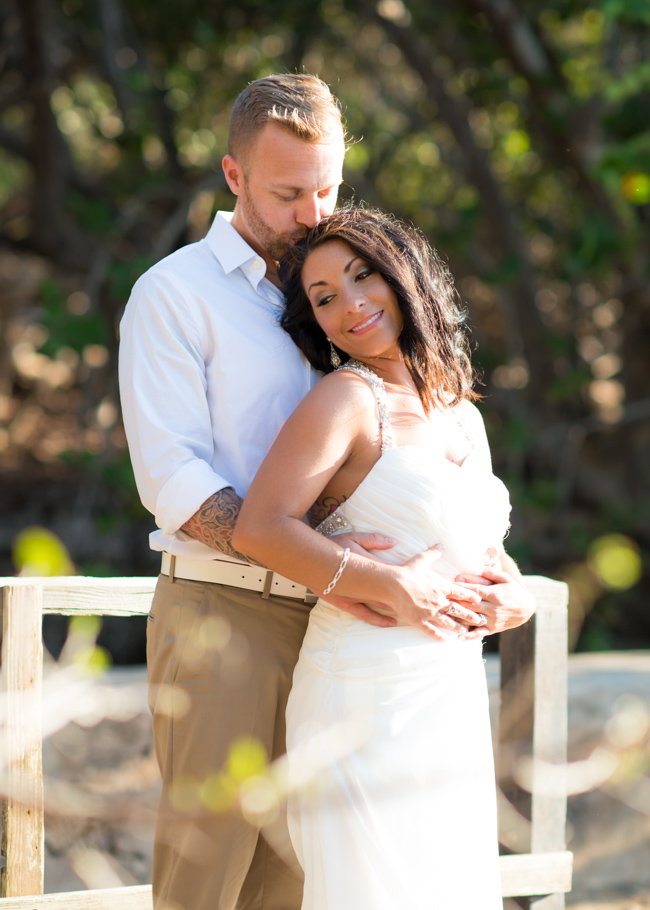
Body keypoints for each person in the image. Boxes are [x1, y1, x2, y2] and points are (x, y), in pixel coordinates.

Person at [119, 76, 497, 910]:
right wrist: (316, 557)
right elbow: (174, 481)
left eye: (327, 187)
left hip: (345, 636)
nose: (313, 210)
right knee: (208, 872)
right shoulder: (175, 296)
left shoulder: (328, 292)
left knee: (308, 874)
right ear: (233, 177)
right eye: (290, 192)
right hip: (230, 616)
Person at [233, 207, 536, 910]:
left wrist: (515, 597)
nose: (352, 305)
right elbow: (259, 526)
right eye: (325, 298)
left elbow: (484, 549)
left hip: (450, 693)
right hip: (361, 694)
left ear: (404, 274)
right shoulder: (345, 400)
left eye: (362, 276)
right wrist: (381, 582)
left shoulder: (464, 412)